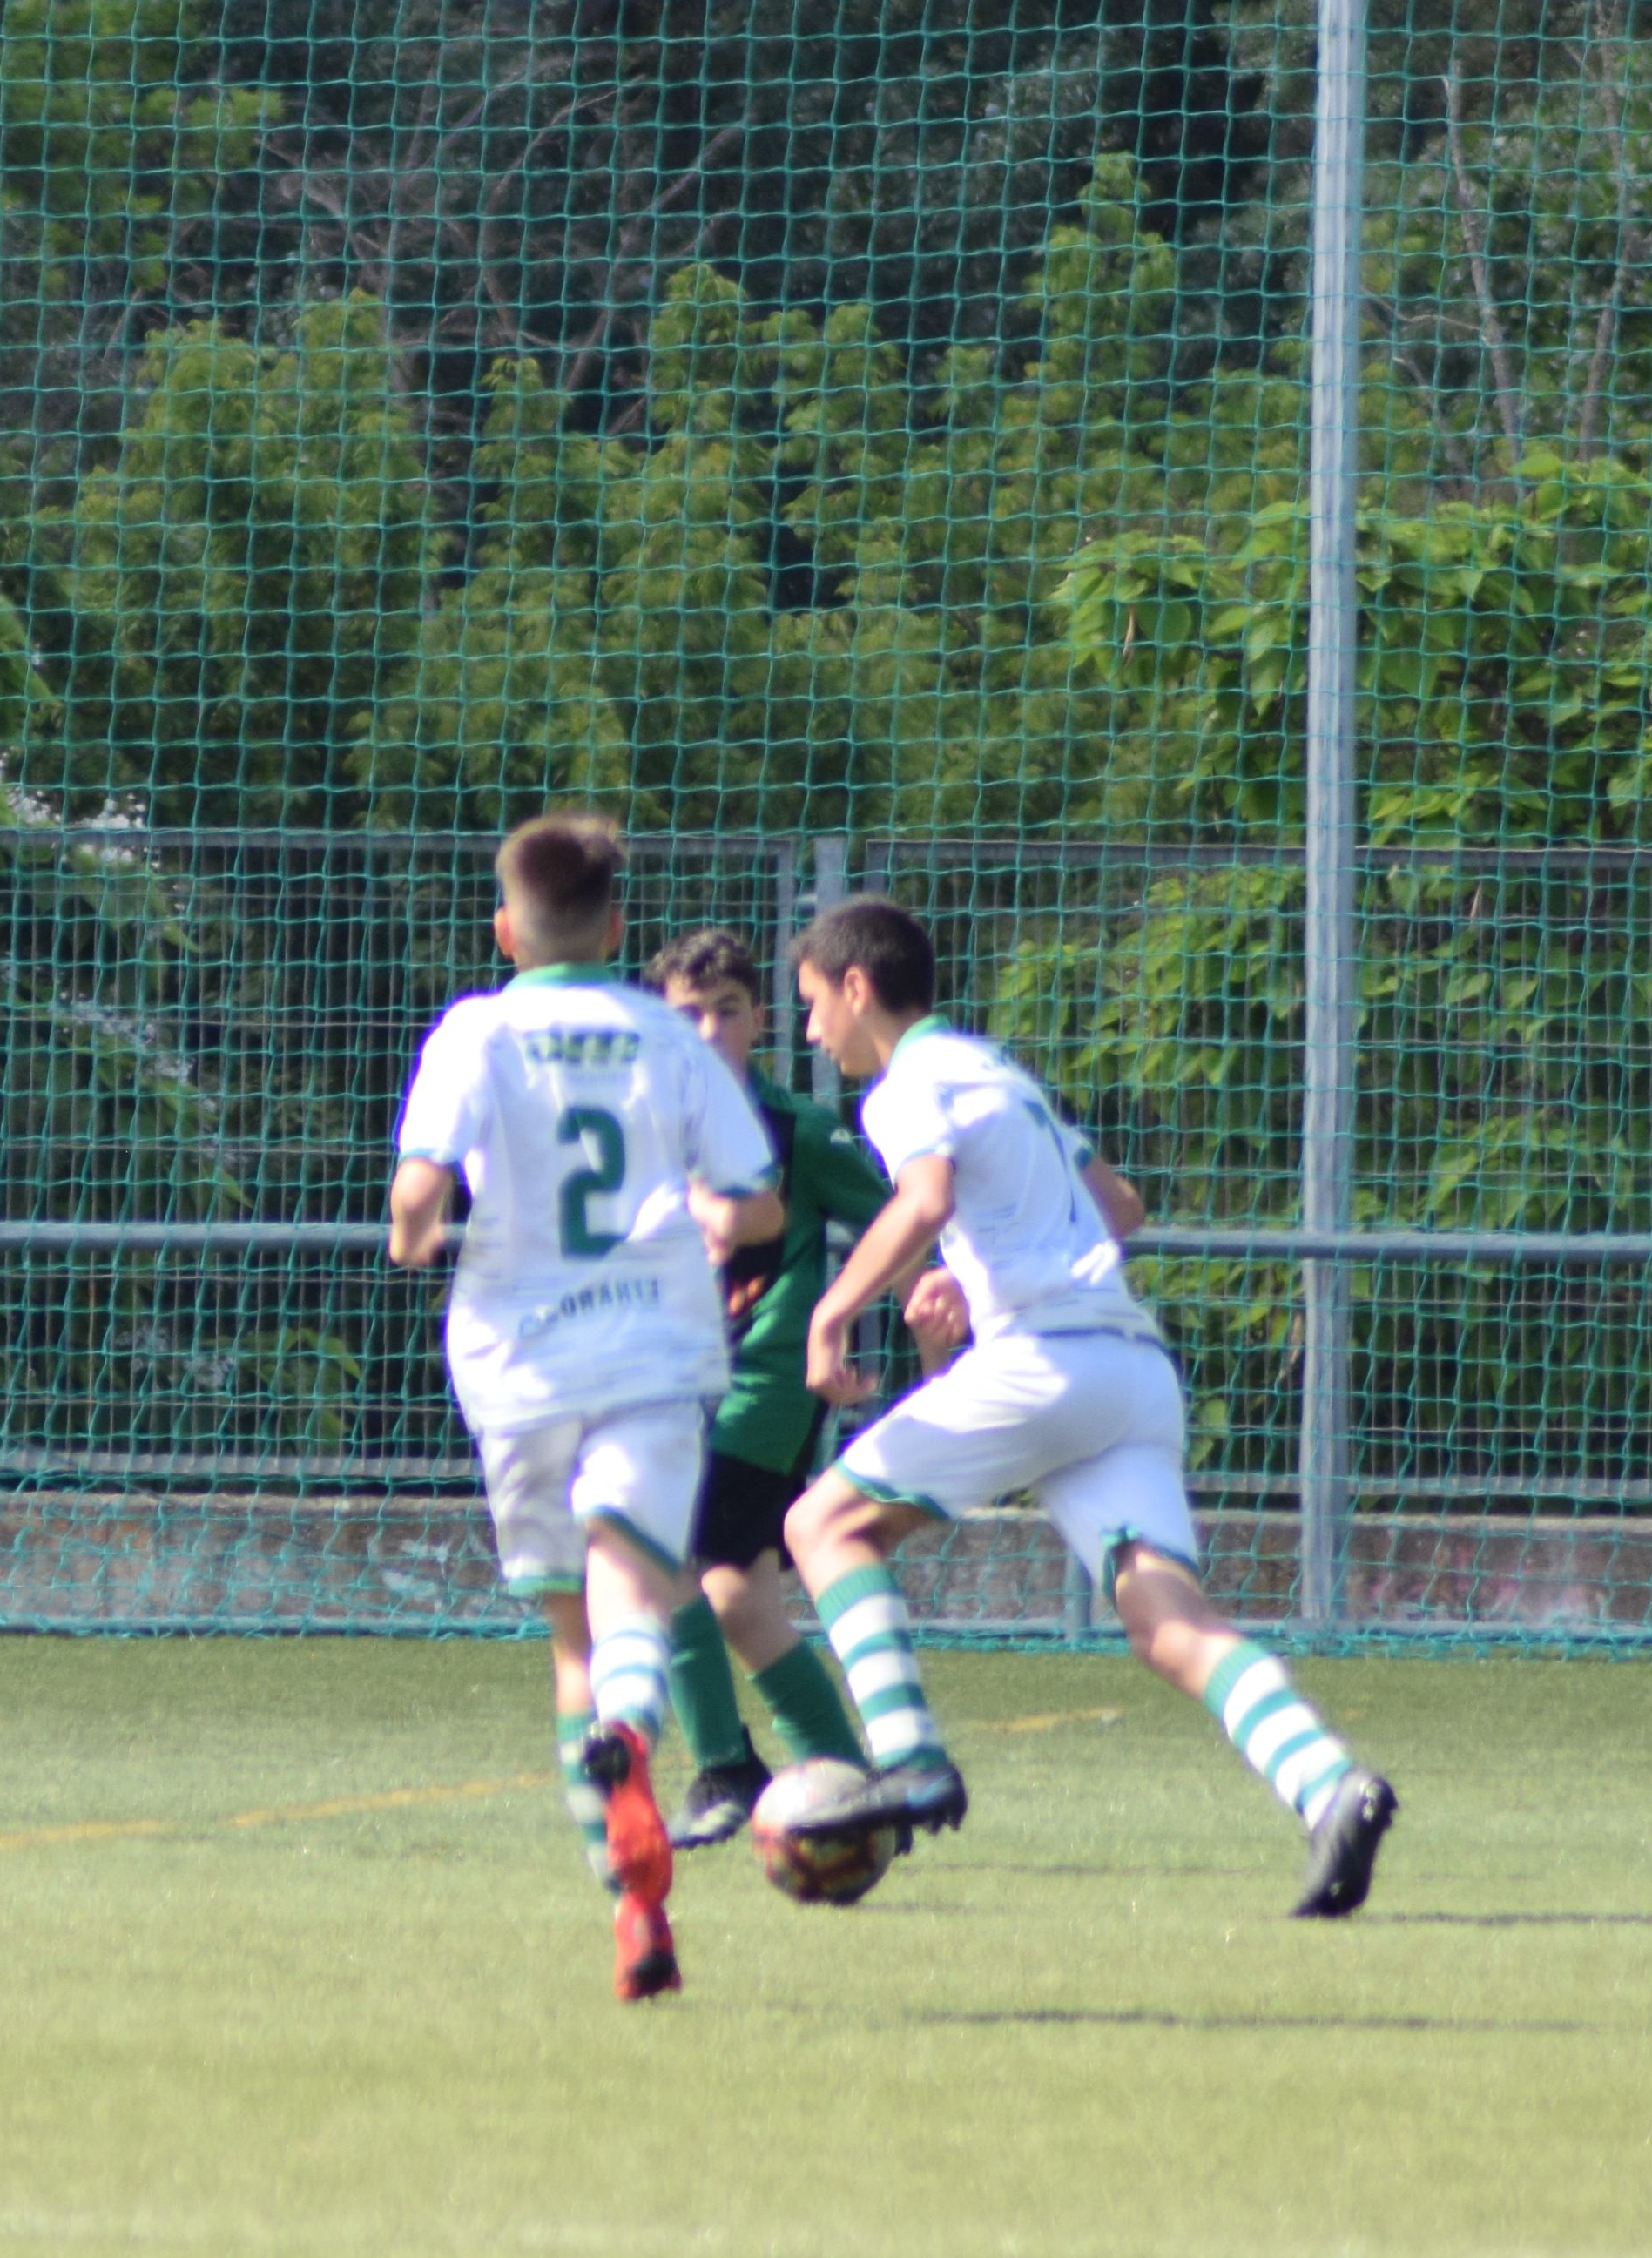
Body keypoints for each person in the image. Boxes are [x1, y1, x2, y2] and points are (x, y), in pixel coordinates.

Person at [779, 896, 1399, 1918]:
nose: (811, 1030)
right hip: (1130, 1368)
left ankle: (908, 1759)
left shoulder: (907, 1085)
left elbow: (926, 1198)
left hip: (1047, 1362)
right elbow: (1119, 1207)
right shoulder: (997, 1072)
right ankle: (1331, 1785)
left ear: (857, 988)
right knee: (1167, 1622)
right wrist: (970, 1279)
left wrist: (836, 1311)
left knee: (822, 1522)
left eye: (812, 1003)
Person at [388, 815, 783, 2001]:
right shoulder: (665, 1035)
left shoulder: (476, 1029)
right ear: (618, 930)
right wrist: (720, 1221)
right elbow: (755, 1200)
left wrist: (416, 1235)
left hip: (517, 1361)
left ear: (507, 928)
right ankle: (633, 1726)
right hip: (655, 1351)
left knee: (571, 1629)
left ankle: (632, 1904)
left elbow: (420, 1193)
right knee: (632, 1580)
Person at [635, 928, 893, 1847]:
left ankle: (726, 1770)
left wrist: (916, 1299)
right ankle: (854, 1784)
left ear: (762, 1021)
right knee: (735, 1598)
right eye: (685, 1015)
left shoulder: (802, 1132)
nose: (706, 1031)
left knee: (669, 1559)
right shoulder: (638, 1131)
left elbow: (901, 1223)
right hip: (664, 1382)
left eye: (727, 1011)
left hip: (764, 1386)